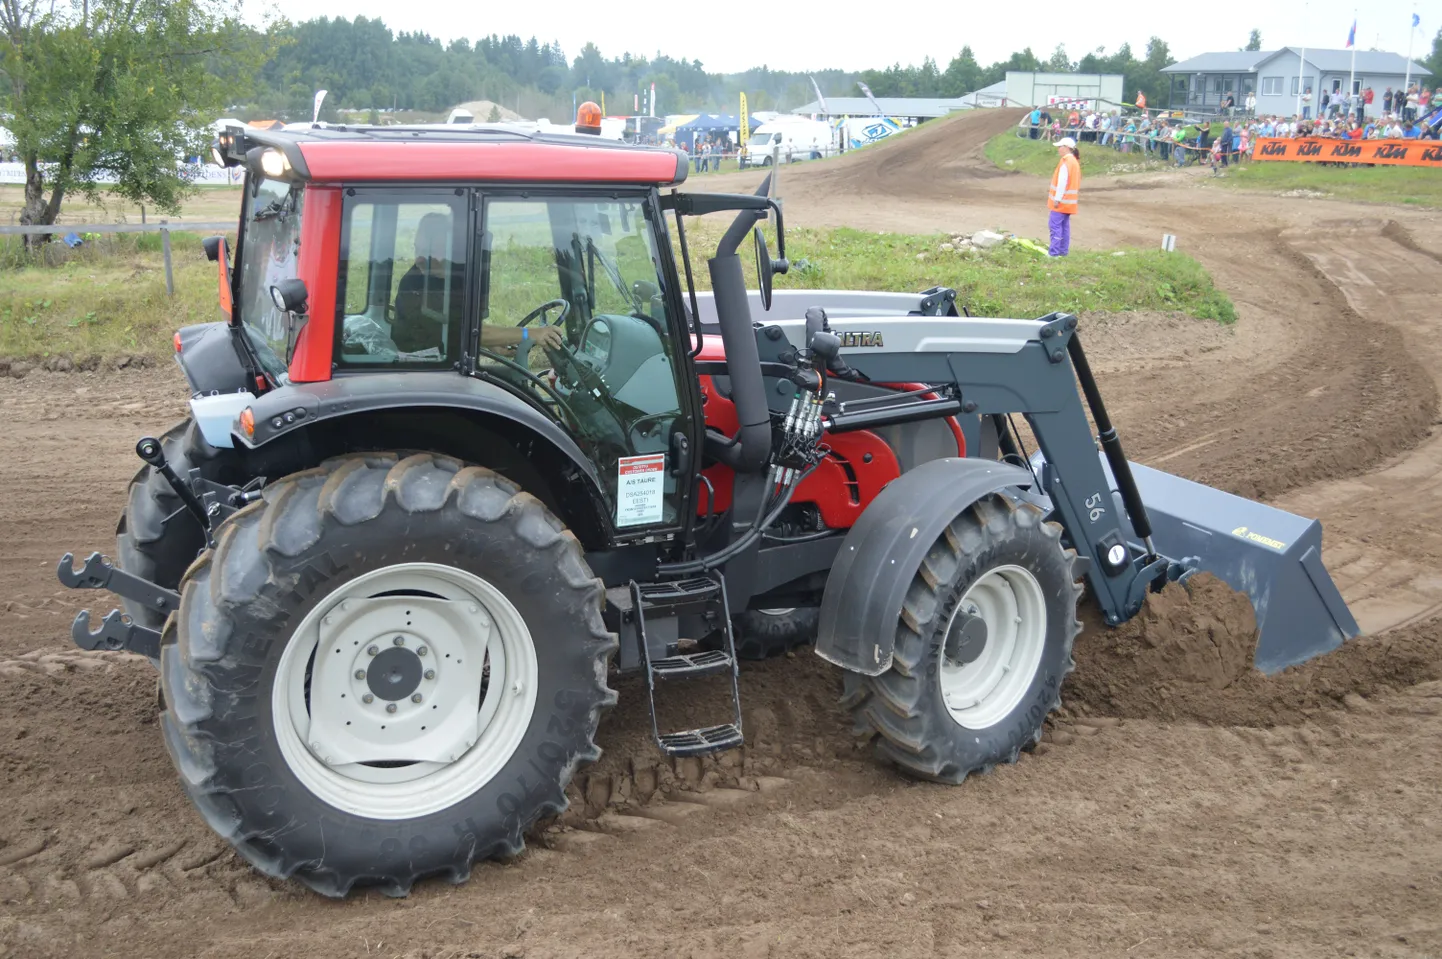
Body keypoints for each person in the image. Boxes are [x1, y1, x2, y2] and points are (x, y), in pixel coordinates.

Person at [394, 213, 563, 357]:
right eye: (417, 250)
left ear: (452, 248)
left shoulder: (453, 277)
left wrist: (493, 343)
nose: (418, 260)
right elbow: (468, 330)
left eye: (428, 252)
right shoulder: (414, 283)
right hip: (423, 370)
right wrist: (532, 333)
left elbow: (462, 331)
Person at [1047, 136, 1080, 257]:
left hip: (1060, 203)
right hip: (1069, 203)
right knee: (1064, 227)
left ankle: (1054, 253)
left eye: (1060, 146)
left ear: (1066, 148)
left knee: (1055, 226)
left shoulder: (1066, 162)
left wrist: (1057, 199)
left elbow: (1062, 182)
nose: (1058, 149)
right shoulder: (1074, 162)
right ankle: (1062, 252)